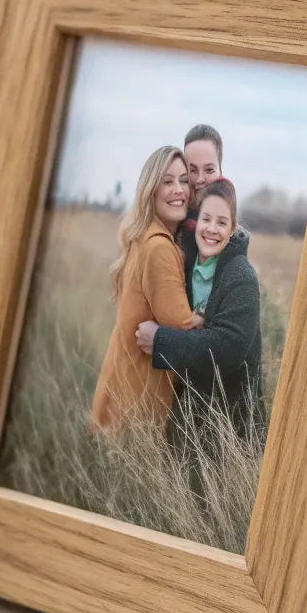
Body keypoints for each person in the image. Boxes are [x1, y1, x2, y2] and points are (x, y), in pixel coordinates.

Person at [135, 179, 263, 441]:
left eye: (222, 222)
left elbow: (228, 347)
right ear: (196, 222)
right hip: (187, 421)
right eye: (206, 219)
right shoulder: (183, 266)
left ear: (232, 228)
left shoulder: (241, 276)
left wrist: (160, 341)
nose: (212, 229)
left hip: (232, 431)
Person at [90, 146, 202, 431]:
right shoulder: (159, 248)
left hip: (118, 391)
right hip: (140, 405)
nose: (178, 190)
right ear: (150, 189)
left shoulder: (141, 238)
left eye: (184, 181)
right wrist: (210, 313)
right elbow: (184, 327)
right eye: (167, 181)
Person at [182, 123, 224, 230]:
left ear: (221, 172)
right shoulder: (170, 226)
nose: (200, 179)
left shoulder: (233, 239)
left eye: (209, 170)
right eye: (192, 170)